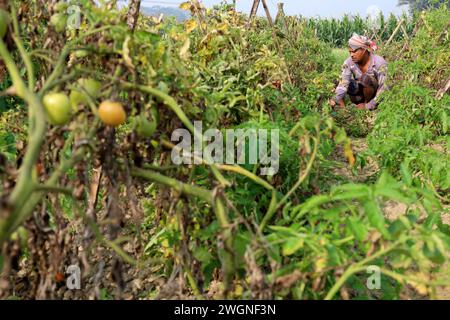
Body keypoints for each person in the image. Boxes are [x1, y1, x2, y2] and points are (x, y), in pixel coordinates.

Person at [330, 33, 387, 110]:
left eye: (354, 51)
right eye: (350, 52)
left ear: (363, 49)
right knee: (336, 80)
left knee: (365, 78)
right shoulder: (348, 63)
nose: (351, 55)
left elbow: (384, 88)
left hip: (374, 95)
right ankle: (343, 109)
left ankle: (367, 105)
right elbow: (343, 84)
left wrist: (368, 106)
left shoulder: (379, 63)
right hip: (359, 94)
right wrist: (334, 98)